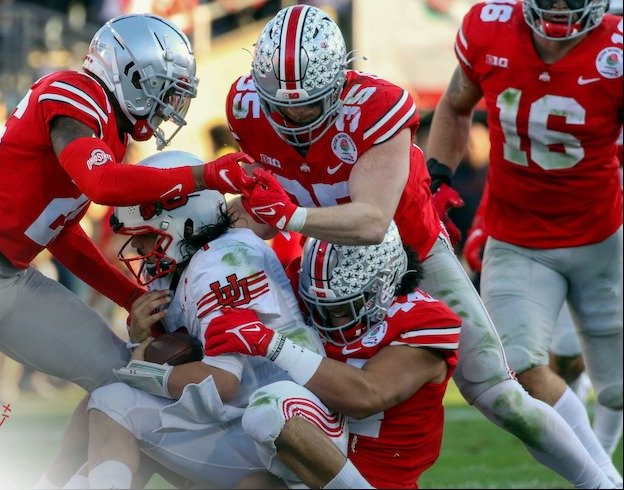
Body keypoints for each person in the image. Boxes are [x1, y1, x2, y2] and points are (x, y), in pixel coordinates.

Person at [225, 4, 619, 487]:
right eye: (279, 102)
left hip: (411, 255)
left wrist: (284, 215)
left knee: (498, 393)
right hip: (325, 268)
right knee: (301, 385)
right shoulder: (246, 107)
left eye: (307, 101)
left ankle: (602, 482)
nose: (292, 114)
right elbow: (269, 205)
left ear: (340, 80)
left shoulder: (377, 105)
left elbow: (372, 222)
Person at [0, 13, 252, 488]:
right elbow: (101, 182)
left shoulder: (110, 129)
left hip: (14, 276)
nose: (170, 104)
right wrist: (205, 175)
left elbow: (62, 235)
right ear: (129, 73)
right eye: (163, 86)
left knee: (118, 379)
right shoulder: (74, 90)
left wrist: (130, 297)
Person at [426, 0, 623, 482]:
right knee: (518, 368)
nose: (558, 6)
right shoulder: (489, 29)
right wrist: (436, 178)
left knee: (617, 390)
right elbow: (455, 105)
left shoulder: (616, 52)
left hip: (601, 238)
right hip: (517, 237)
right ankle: (604, 479)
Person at [84, 151, 361, 489]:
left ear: (181, 218)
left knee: (121, 399)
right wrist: (141, 336)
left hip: (296, 426)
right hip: (242, 422)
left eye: (148, 237)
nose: (141, 250)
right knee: (107, 401)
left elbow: (222, 381)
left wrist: (143, 371)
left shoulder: (223, 260)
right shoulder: (186, 262)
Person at [204, 222, 461, 489]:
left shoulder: (423, 318)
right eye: (319, 307)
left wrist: (272, 343)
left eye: (341, 308)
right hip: (305, 466)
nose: (329, 320)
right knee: (252, 485)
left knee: (273, 406)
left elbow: (366, 395)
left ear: (382, 287)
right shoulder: (305, 294)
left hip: (381, 478)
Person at [464, 183, 624, 458]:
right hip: (558, 228)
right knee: (562, 361)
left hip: (608, 228)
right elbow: (511, 159)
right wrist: (483, 219)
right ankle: (597, 466)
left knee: (612, 372)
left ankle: (601, 464)